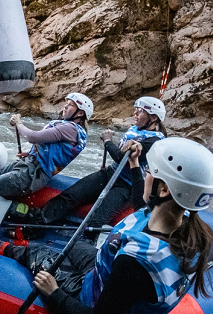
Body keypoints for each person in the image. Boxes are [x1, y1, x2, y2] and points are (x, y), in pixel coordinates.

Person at [0, 137, 213, 314]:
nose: (146, 174)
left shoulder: (135, 263)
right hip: (103, 274)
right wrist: (134, 164)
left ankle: (0, 247)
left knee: (38, 253)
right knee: (74, 243)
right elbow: (140, 205)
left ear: (164, 191)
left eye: (150, 172)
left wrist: (53, 292)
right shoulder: (182, 225)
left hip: (88, 299)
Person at [14, 97, 168, 239]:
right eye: (136, 110)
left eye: (140, 112)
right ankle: (32, 229)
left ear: (153, 118)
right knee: (70, 196)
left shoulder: (154, 142)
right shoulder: (137, 130)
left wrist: (108, 141)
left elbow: (122, 158)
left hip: (127, 187)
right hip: (110, 173)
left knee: (96, 220)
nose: (135, 114)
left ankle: (82, 249)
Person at [0, 93, 93, 200]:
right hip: (29, 166)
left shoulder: (71, 129)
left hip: (32, 174)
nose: (65, 106)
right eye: (67, 103)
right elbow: (52, 149)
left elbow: (33, 137)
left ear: (80, 113)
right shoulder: (70, 128)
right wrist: (32, 153)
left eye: (70, 105)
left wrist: (18, 123)